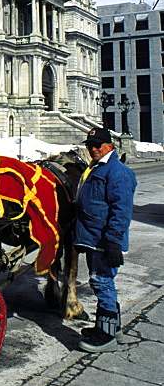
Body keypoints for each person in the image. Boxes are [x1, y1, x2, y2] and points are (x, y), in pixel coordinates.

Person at [74, 126, 137, 353]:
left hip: (104, 240)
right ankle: (111, 326)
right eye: (89, 146)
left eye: (97, 145)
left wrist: (113, 241)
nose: (92, 149)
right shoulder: (97, 167)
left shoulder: (117, 172)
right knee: (102, 282)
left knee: (102, 282)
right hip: (94, 237)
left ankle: (106, 336)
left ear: (109, 145)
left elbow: (121, 211)